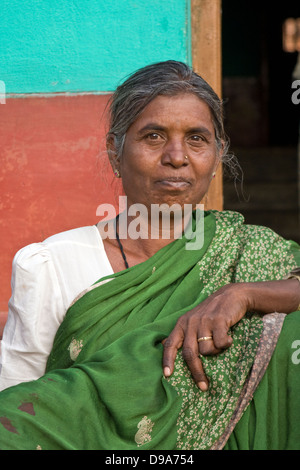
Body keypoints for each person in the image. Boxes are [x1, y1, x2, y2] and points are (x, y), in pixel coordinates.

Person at [0, 60, 299, 450]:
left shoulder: (252, 253)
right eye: (154, 136)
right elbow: (22, 414)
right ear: (115, 150)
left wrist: (242, 295)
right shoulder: (52, 264)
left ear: (218, 154)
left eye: (196, 138)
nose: (177, 156)